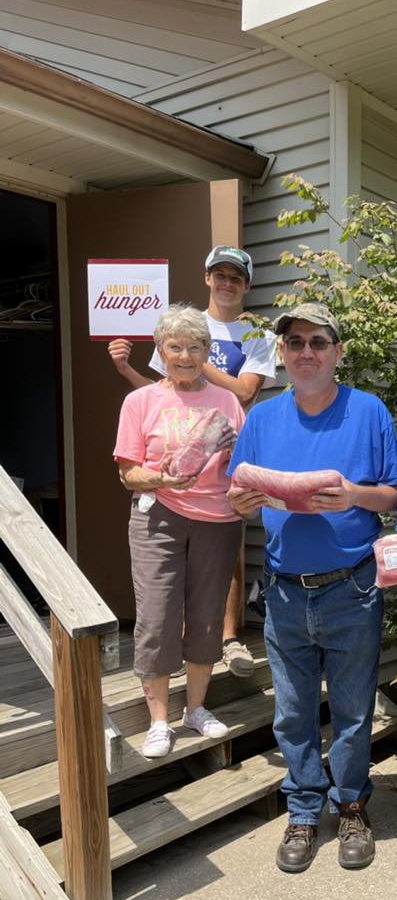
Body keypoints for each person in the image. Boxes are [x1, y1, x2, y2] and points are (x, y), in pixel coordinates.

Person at [227, 303, 397, 873]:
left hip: (351, 586)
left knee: (353, 711)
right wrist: (240, 502)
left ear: (338, 352)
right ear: (281, 353)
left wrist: (354, 494)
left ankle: (350, 803)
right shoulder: (261, 419)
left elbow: (394, 494)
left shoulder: (368, 410)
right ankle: (303, 809)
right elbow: (236, 495)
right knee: (294, 712)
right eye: (295, 342)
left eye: (318, 342)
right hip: (283, 589)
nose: (306, 352)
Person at [109, 246, 275, 678]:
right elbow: (162, 392)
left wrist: (196, 362)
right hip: (168, 485)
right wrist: (128, 370)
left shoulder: (257, 333)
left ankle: (228, 637)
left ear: (247, 285)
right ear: (206, 278)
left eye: (235, 277)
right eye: (219, 275)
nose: (226, 283)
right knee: (167, 582)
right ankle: (176, 652)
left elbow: (243, 392)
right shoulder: (181, 327)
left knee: (226, 564)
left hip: (226, 462)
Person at [113, 305, 245, 758]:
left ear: (207, 352)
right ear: (161, 351)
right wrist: (162, 479)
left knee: (207, 616)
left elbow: (241, 466)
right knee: (156, 616)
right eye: (176, 347)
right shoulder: (141, 401)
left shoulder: (227, 402)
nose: (185, 356)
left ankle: (195, 708)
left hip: (217, 519)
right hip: (158, 516)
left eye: (195, 347)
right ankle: (157, 721)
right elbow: (128, 473)